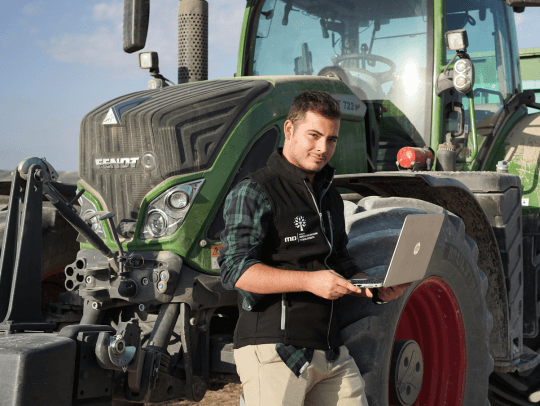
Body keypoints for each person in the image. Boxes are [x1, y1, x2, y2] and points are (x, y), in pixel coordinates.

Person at [218, 90, 411, 405]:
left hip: (330, 350)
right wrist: (310, 281)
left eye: (331, 139)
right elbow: (235, 271)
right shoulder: (255, 191)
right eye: (314, 135)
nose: (323, 148)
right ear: (289, 131)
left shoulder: (330, 197)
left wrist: (372, 290)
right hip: (277, 350)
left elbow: (339, 261)